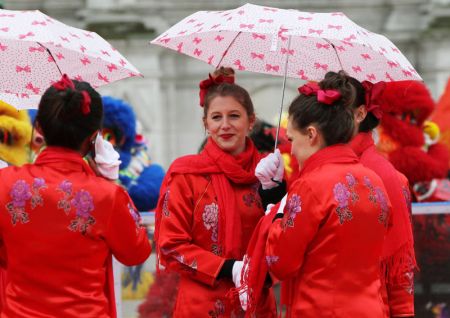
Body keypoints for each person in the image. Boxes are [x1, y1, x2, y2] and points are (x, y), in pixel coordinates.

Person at [0, 74, 151, 317]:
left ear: (39, 128)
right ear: (94, 138)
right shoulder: (107, 195)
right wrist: (111, 182)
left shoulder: (4, 183)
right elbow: (137, 252)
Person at [257, 72, 391, 317]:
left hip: (320, 309)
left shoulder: (309, 185)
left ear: (311, 134)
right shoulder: (374, 180)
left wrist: (275, 214)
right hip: (371, 308)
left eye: (292, 139)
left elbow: (281, 262)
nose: (292, 149)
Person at [155, 67, 277, 317]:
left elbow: (285, 241)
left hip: (254, 304)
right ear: (205, 123)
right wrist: (227, 268)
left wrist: (276, 192)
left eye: (234, 116)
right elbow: (170, 246)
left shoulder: (266, 172)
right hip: (202, 305)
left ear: (250, 121)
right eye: (216, 117)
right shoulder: (186, 174)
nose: (225, 126)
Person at [345, 77, 416, 317]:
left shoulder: (391, 178)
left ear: (360, 113)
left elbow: (400, 270)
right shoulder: (313, 167)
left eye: (337, 111)